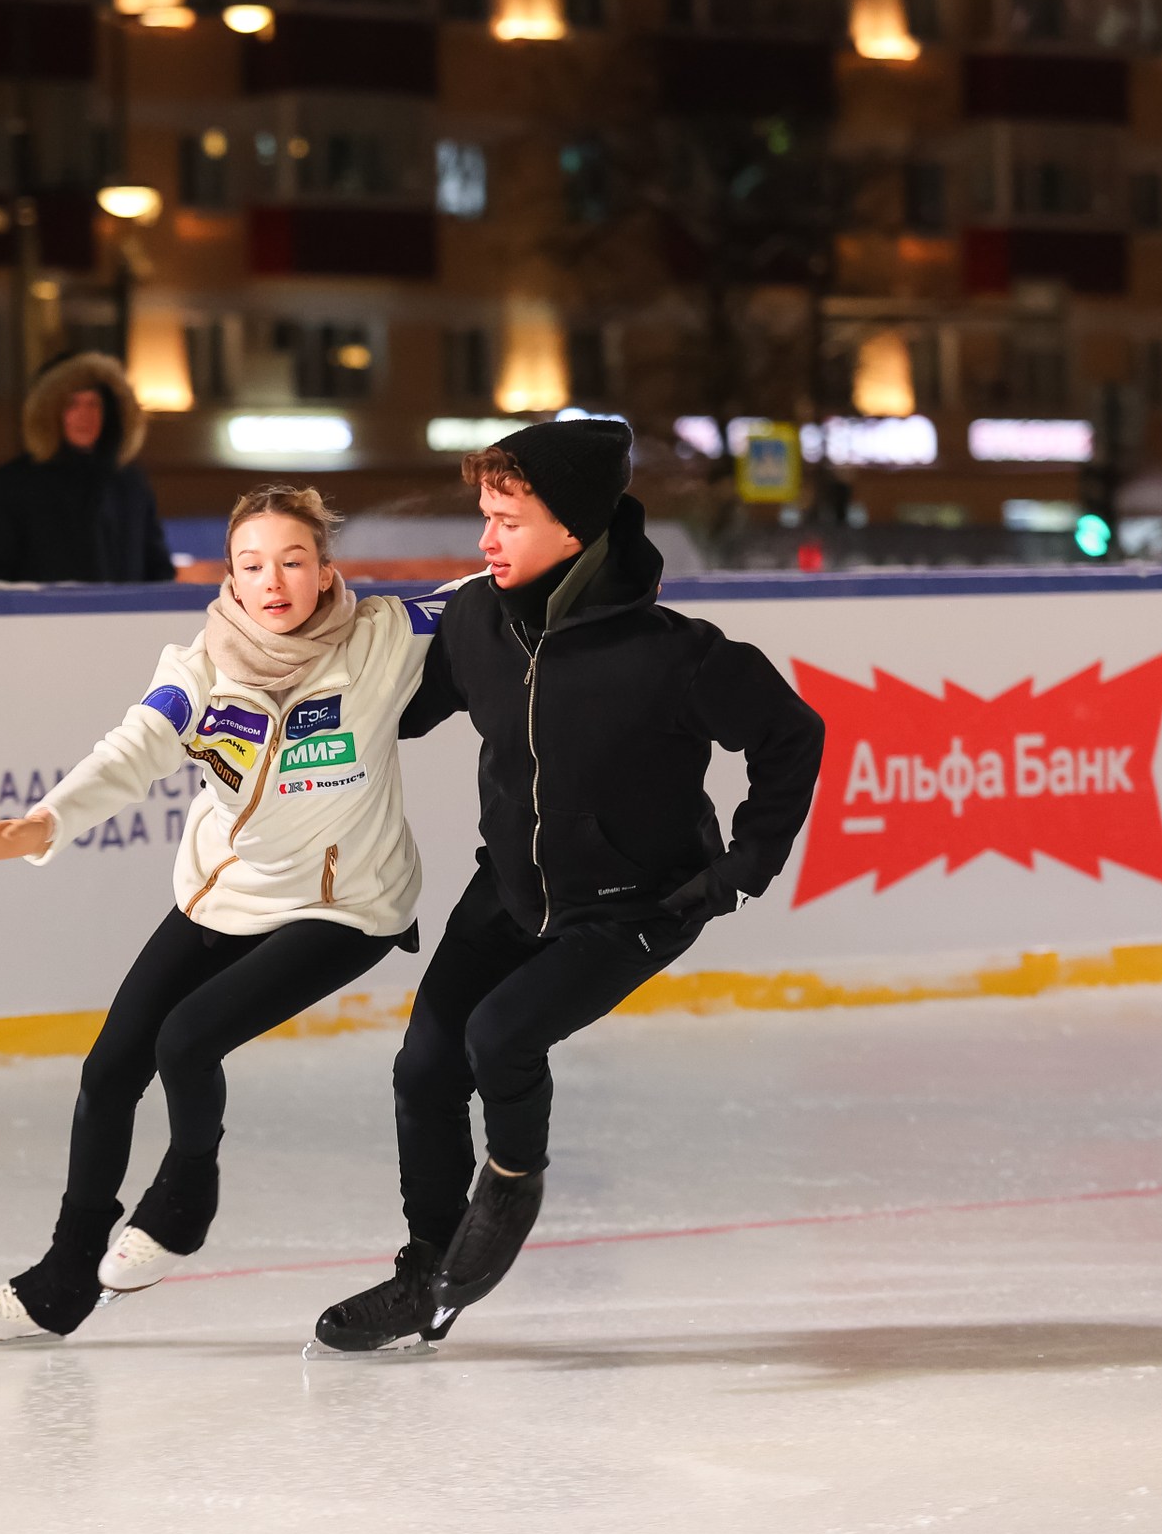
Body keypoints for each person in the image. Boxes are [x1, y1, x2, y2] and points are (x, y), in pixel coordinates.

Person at [312, 419, 826, 1354]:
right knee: (425, 1067)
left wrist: (743, 867)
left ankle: (510, 1183)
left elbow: (793, 736)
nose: (486, 539)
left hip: (635, 905)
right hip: (509, 888)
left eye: (507, 518)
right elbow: (402, 711)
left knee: (499, 1036)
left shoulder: (678, 653)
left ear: (574, 530)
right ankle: (425, 1272)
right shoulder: (476, 621)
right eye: (484, 515)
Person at [0, 486, 429, 1342]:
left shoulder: (384, 640)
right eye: (252, 566)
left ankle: (183, 1197)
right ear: (231, 581)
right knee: (107, 1072)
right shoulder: (200, 668)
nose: (272, 581)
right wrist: (47, 820)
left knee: (187, 1038)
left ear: (324, 570)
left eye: (291, 561)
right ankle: (63, 1279)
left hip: (344, 904)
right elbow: (136, 746)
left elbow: (498, 589)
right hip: (227, 892)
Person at [0, 351, 175, 586]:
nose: (85, 415)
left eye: (94, 404)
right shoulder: (12, 484)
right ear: (50, 412)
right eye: (72, 404)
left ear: (111, 413)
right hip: (40, 620)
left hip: (120, 620)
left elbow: (158, 569)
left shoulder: (130, 483)